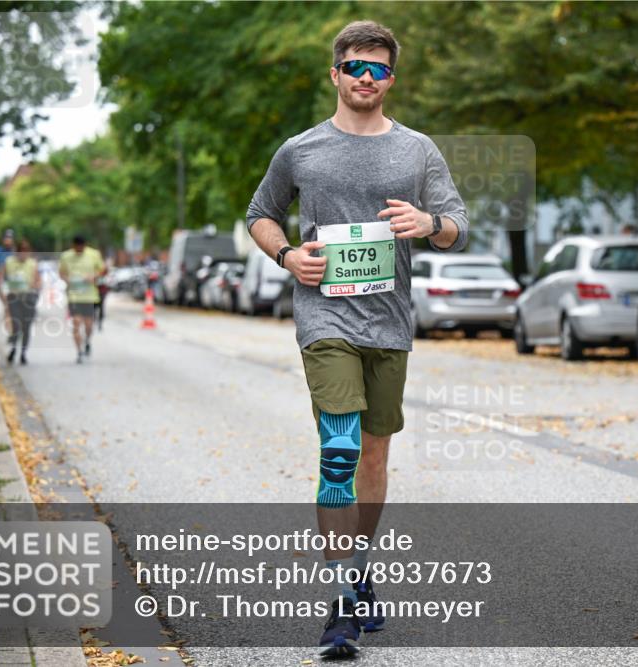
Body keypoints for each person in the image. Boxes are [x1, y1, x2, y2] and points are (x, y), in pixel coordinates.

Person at [245, 20, 468, 657]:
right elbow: (261, 214)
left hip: (390, 323)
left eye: (378, 69)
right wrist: (288, 256)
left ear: (391, 79)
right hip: (325, 320)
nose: (366, 78)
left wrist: (428, 222)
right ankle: (340, 605)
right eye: (355, 67)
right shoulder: (301, 150)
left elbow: (457, 224)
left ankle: (359, 564)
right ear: (335, 74)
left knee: (373, 457)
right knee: (339, 449)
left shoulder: (418, 151)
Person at [59, 234, 106, 364]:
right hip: (74, 296)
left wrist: (93, 277)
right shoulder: (66, 256)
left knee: (89, 325)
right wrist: (67, 279)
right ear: (73, 246)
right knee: (76, 323)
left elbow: (102, 269)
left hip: (89, 296)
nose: (79, 249)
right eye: (77, 247)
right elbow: (61, 272)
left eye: (81, 247)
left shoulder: (94, 254)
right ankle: (79, 351)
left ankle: (87, 341)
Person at [0, 238, 40, 365]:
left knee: (26, 327)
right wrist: (2, 293)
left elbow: (39, 281)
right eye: (21, 251)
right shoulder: (9, 262)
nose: (24, 254)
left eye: (26, 251)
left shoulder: (33, 264)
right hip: (14, 297)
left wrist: (35, 285)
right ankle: (14, 348)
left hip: (28, 297)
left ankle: (23, 352)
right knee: (16, 325)